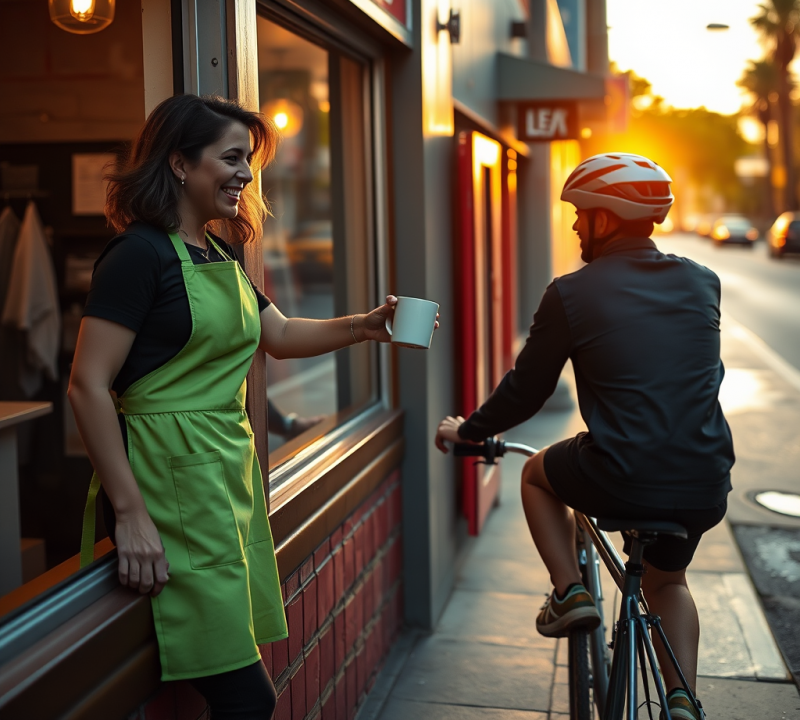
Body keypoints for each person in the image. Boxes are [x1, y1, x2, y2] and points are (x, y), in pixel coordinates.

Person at [68, 94, 424, 720]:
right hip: (167, 486)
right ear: (180, 163)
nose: (245, 175)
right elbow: (87, 385)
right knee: (248, 699)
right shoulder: (138, 256)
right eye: (231, 157)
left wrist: (365, 326)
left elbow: (279, 336)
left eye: (249, 161)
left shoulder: (219, 254)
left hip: (222, 485)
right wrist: (129, 514)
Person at [435, 152, 734, 720]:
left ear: (606, 219)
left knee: (535, 475)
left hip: (620, 472)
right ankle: (682, 704)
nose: (574, 224)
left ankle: (570, 592)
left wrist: (470, 431)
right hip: (704, 480)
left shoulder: (571, 292)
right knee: (669, 582)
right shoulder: (704, 282)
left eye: (581, 213)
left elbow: (528, 390)